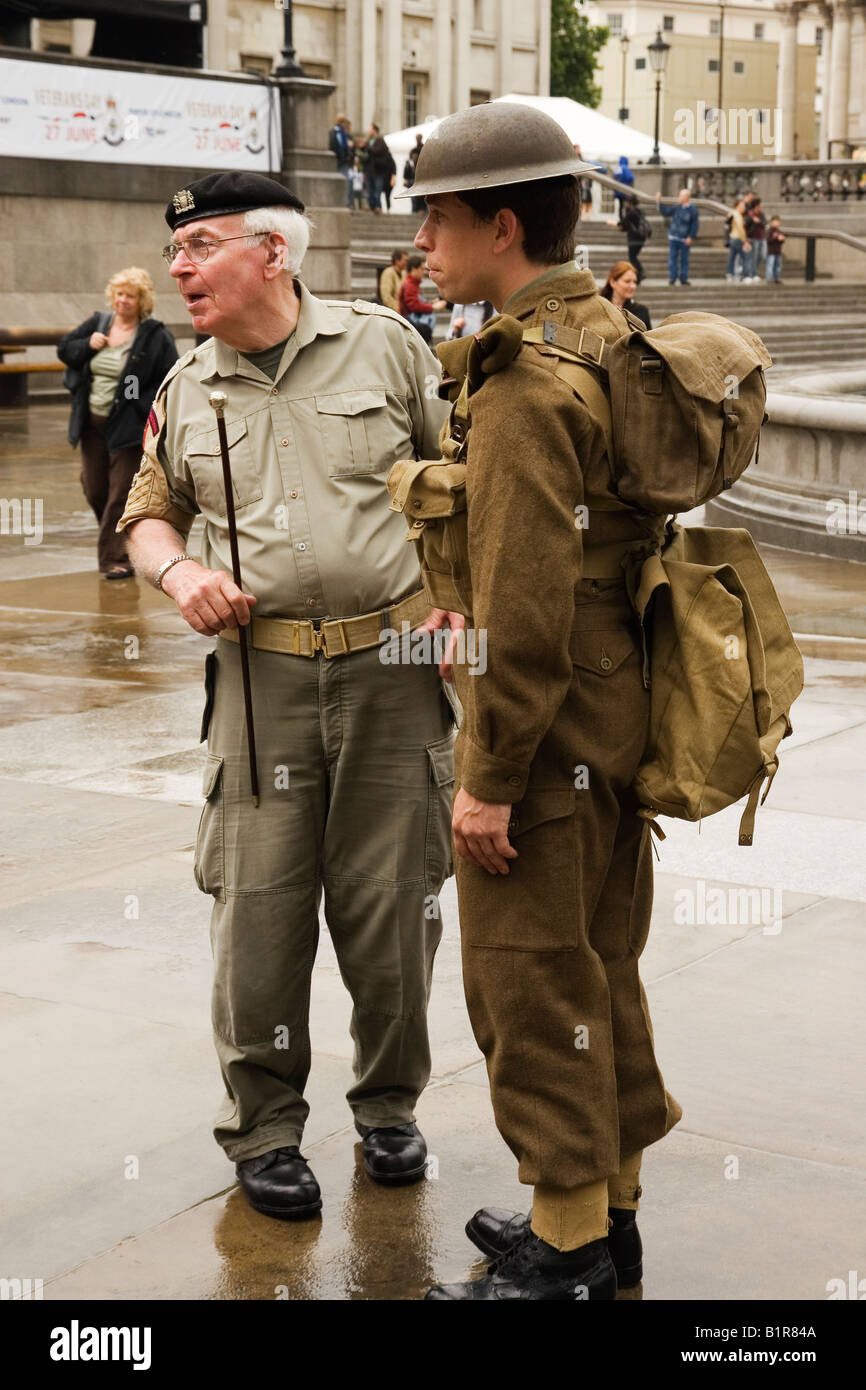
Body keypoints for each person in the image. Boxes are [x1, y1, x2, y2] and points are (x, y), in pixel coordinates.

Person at [118, 171, 456, 1220]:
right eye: (173, 249)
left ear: (273, 253)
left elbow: (463, 477)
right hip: (256, 679)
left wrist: (457, 606)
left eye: (201, 245)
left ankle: (389, 1106)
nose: (179, 266)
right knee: (257, 912)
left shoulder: (388, 346)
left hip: (397, 669)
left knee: (392, 904)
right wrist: (180, 575)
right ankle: (265, 1127)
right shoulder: (185, 384)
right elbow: (147, 515)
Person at [403, 101, 682, 1300]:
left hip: (549, 728)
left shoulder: (520, 382)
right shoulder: (607, 330)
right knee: (602, 964)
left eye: (437, 215)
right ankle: (607, 1212)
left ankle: (563, 1247)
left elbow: (520, 620)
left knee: (530, 982)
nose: (420, 238)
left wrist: (485, 783)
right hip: (619, 707)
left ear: (501, 224)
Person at [57, 267, 177, 579]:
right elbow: (65, 350)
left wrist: (137, 403)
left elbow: (168, 379)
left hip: (127, 426)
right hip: (90, 424)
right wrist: (88, 345)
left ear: (142, 301)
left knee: (120, 495)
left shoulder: (154, 335)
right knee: (95, 489)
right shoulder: (98, 323)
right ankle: (122, 541)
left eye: (131, 296)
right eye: (120, 294)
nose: (123, 300)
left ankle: (115, 558)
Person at [654, 186, 699, 285]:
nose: (679, 197)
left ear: (687, 197)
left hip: (684, 238)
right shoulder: (677, 207)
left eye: (681, 196)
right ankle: (672, 277)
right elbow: (666, 212)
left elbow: (695, 225)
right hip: (674, 236)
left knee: (684, 259)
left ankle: (683, 278)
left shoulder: (692, 210)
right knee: (672, 258)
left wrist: (691, 236)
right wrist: (659, 202)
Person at [398, 254, 446, 343]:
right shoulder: (410, 285)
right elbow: (414, 305)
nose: (424, 272)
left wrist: (431, 303)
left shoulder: (412, 284)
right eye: (421, 269)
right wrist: (433, 307)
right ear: (413, 269)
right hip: (412, 326)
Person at [600, 260, 651, 329]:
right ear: (613, 282)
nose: (633, 286)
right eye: (627, 281)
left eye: (634, 282)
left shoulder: (641, 311)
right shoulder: (599, 308)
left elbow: (648, 338)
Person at [610, 193, 649, 284]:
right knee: (634, 257)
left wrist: (612, 223)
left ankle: (639, 274)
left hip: (634, 239)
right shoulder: (640, 211)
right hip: (641, 238)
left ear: (630, 202)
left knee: (632, 258)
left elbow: (623, 222)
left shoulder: (631, 212)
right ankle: (639, 274)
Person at [328, 114, 355, 210]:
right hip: (340, 161)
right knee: (345, 183)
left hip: (339, 162)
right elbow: (341, 147)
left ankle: (343, 202)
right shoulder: (340, 133)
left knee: (344, 183)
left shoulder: (334, 132)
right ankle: (344, 202)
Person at [366, 124, 395, 213]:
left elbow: (377, 151)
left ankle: (378, 207)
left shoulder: (379, 140)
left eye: (370, 129)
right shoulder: (370, 140)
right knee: (371, 189)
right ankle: (374, 206)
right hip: (371, 170)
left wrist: (368, 147)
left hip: (379, 171)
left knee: (377, 190)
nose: (368, 131)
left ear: (374, 130)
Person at [725, 197, 749, 282]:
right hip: (737, 238)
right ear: (738, 206)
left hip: (733, 238)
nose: (744, 208)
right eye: (742, 205)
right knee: (745, 257)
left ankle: (730, 274)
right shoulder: (736, 215)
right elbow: (740, 229)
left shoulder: (734, 214)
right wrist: (745, 240)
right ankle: (745, 275)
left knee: (732, 257)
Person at [743, 195, 767, 283]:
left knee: (762, 255)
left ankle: (753, 271)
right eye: (759, 205)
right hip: (753, 238)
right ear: (756, 205)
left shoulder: (761, 214)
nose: (760, 206)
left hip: (762, 237)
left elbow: (765, 223)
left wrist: (759, 221)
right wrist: (752, 219)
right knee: (753, 256)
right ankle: (753, 274)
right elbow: (745, 223)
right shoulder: (750, 213)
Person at [406, 132, 425, 213]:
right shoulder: (418, 149)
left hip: (420, 175)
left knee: (420, 196)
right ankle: (416, 210)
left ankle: (419, 210)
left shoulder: (422, 148)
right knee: (416, 196)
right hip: (415, 176)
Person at [613, 154, 635, 219]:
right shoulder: (625, 168)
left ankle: (621, 218)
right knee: (627, 205)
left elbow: (614, 178)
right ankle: (626, 219)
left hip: (617, 190)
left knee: (620, 205)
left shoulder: (617, 168)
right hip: (624, 190)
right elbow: (630, 177)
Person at [766, 216, 785, 283]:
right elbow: (768, 240)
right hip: (771, 251)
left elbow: (782, 241)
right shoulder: (769, 231)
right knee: (770, 265)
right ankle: (769, 278)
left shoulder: (779, 231)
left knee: (778, 266)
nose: (777, 223)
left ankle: (776, 277)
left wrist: (782, 239)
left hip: (778, 251)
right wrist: (776, 238)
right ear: (771, 222)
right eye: (775, 222)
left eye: (778, 222)